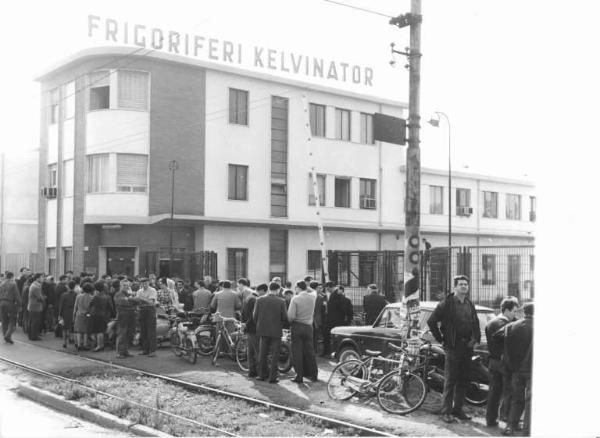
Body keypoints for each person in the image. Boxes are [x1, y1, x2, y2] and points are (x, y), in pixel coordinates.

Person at [427, 275, 480, 423]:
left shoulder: (469, 304)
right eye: (461, 284)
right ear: (455, 287)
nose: (464, 286)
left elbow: (475, 322)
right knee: (450, 380)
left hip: (467, 347)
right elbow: (431, 321)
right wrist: (441, 339)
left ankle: (458, 409)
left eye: (466, 284)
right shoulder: (447, 303)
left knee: (463, 379)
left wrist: (475, 339)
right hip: (453, 347)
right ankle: (446, 412)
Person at [495, 302, 533, 436]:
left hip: (515, 369)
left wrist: (506, 354)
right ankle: (527, 432)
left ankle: (510, 427)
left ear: (524, 312)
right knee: (530, 401)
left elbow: (496, 337)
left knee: (517, 399)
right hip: (531, 370)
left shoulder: (511, 325)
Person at [485, 296, 519, 428]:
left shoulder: (492, 322)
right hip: (504, 363)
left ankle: (491, 419)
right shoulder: (503, 324)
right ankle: (506, 417)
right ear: (506, 311)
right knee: (509, 391)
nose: (515, 314)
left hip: (493, 362)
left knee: (494, 392)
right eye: (514, 311)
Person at [253, 282, 288, 383]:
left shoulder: (259, 300)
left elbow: (254, 316)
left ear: (268, 288)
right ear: (277, 290)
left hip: (263, 330)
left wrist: (260, 324)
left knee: (262, 353)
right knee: (275, 354)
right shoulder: (281, 301)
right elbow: (284, 317)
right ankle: (273, 377)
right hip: (276, 331)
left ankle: (261, 375)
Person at [287, 281, 318, 383]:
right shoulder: (312, 297)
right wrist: (307, 287)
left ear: (297, 288)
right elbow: (314, 291)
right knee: (310, 351)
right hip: (309, 327)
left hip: (297, 326)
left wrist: (291, 323)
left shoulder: (295, 298)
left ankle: (299, 376)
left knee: (297, 352)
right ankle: (314, 375)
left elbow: (291, 316)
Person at [241, 283, 267, 378]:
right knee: (258, 351)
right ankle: (260, 373)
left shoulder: (248, 299)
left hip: (248, 329)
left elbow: (242, 313)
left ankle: (252, 372)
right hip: (255, 328)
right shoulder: (255, 300)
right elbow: (254, 316)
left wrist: (244, 324)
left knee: (250, 352)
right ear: (262, 291)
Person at [114, 278, 139, 359]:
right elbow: (123, 302)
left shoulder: (128, 294)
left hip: (130, 316)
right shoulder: (118, 294)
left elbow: (135, 302)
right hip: (122, 316)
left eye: (127, 285)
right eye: (124, 285)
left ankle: (125, 351)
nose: (126, 287)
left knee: (128, 334)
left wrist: (131, 300)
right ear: (121, 286)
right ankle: (119, 352)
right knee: (122, 333)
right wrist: (132, 300)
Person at [89, 280, 113, 352]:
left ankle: (99, 345)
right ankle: (101, 344)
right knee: (102, 330)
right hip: (104, 314)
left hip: (96, 314)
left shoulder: (96, 296)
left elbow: (91, 304)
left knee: (98, 331)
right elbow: (111, 307)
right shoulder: (107, 296)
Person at [136, 277, 158, 357]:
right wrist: (142, 301)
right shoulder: (139, 291)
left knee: (151, 332)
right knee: (143, 331)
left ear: (148, 283)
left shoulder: (152, 290)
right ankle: (145, 350)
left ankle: (152, 351)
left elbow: (151, 302)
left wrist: (141, 299)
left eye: (145, 283)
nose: (144, 285)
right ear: (141, 284)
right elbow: (137, 302)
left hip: (150, 311)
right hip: (142, 311)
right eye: (142, 283)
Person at [0, 271, 22, 344]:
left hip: (2, 303)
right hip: (10, 303)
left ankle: (6, 336)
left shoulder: (1, 284)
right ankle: (8, 335)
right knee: (12, 321)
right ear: (12, 277)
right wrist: (19, 304)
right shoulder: (13, 284)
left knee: (4, 321)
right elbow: (17, 295)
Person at [73, 282, 94, 350]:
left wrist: (73, 315)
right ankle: (85, 344)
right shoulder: (92, 297)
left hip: (79, 314)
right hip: (87, 315)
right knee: (85, 331)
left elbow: (75, 307)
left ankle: (79, 344)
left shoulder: (78, 296)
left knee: (78, 330)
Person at [57, 280, 77, 348]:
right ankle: (73, 340)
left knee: (65, 328)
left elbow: (61, 305)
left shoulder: (63, 295)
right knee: (72, 327)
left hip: (65, 313)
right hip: (73, 312)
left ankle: (64, 342)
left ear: (68, 286)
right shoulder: (76, 295)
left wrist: (60, 314)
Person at [27, 274, 45, 341]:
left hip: (32, 306)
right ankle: (34, 336)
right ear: (37, 278)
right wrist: (44, 298)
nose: (42, 279)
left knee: (32, 321)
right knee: (35, 322)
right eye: (41, 277)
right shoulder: (36, 287)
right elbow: (40, 297)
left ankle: (31, 335)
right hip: (35, 306)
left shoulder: (33, 285)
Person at [312, 281, 327, 355]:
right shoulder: (320, 297)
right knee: (316, 336)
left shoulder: (321, 297)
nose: (320, 289)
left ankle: (315, 350)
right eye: (318, 288)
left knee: (315, 336)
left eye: (321, 288)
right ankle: (315, 350)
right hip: (317, 319)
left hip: (316, 319)